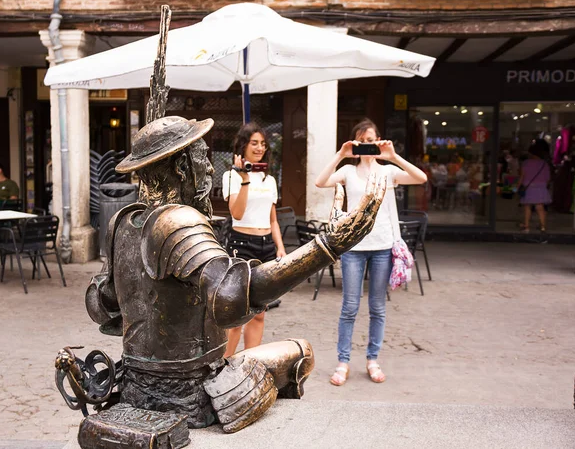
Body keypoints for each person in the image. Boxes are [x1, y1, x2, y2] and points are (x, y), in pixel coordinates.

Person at [80, 115, 386, 433]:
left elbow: (103, 308)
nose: (211, 169)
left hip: (132, 385)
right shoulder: (180, 221)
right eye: (204, 158)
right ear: (182, 168)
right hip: (191, 391)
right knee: (301, 352)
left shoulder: (121, 221)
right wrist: (328, 245)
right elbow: (233, 297)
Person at [315, 118, 427, 387]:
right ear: (355, 142)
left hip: (383, 246)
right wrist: (341, 154)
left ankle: (372, 359)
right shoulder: (348, 172)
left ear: (379, 141)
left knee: (377, 307)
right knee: (349, 307)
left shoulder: (388, 171)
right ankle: (343, 362)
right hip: (354, 247)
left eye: (372, 140)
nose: (367, 145)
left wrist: (393, 155)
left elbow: (421, 178)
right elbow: (320, 182)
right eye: (362, 140)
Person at [222, 122, 287, 357]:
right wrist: (245, 179)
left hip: (266, 247)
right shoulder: (231, 176)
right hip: (242, 244)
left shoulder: (269, 180)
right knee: (237, 312)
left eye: (262, 144)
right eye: (254, 143)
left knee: (259, 312)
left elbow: (273, 220)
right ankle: (225, 364)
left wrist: (280, 247)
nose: (260, 148)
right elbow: (236, 213)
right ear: (244, 146)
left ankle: (250, 362)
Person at [517, 139, 552, 233]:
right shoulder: (545, 164)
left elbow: (522, 177)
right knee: (540, 207)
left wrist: (517, 187)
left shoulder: (526, 163)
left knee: (527, 207)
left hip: (529, 188)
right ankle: (543, 227)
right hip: (541, 188)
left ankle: (527, 226)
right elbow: (548, 179)